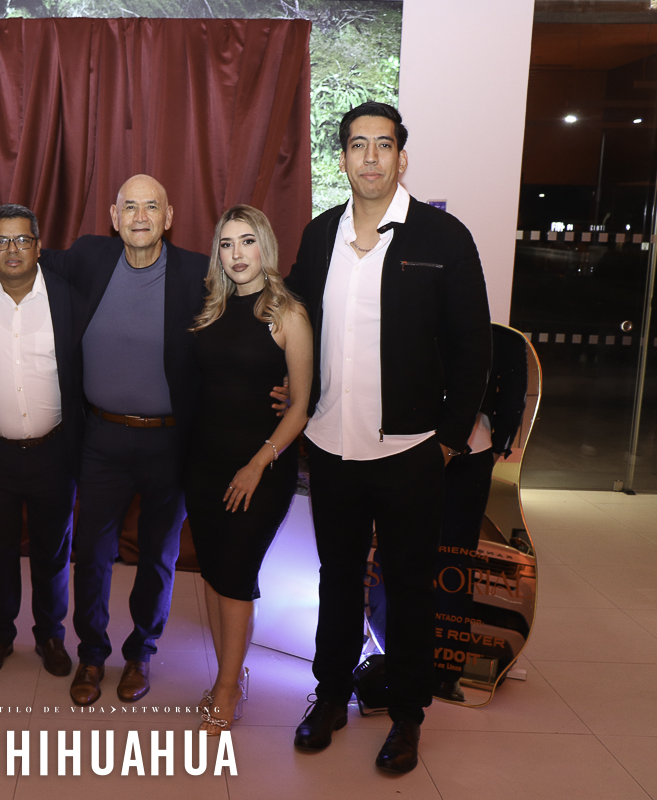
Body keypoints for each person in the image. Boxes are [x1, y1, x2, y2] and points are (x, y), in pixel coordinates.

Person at [285, 102, 491, 773]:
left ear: (402, 158)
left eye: (383, 145)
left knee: (408, 586)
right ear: (343, 158)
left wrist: (447, 441)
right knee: (339, 578)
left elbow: (473, 348)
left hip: (410, 452)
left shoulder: (443, 237)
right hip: (330, 445)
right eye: (357, 145)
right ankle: (329, 696)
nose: (369, 157)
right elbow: (295, 322)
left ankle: (407, 715)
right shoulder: (320, 234)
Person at [44, 174, 209, 705]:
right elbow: (20, 261)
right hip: (101, 438)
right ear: (114, 218)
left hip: (170, 442)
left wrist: (285, 374)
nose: (140, 216)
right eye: (129, 207)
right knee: (92, 553)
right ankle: (92, 654)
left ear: (168, 217)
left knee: (159, 555)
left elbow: (246, 322)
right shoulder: (89, 257)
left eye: (151, 206)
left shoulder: (198, 272)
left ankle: (141, 652)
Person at [185, 205, 312, 734]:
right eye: (227, 244)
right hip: (203, 465)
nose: (237, 254)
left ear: (265, 246)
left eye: (247, 241)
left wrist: (257, 464)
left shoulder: (287, 315)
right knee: (214, 573)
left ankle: (227, 688)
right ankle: (229, 675)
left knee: (235, 576)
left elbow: (300, 407)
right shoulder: (210, 310)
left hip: (259, 469)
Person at [0, 204, 83, 679]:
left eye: (23, 239)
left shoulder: (67, 296)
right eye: (1, 241)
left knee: (53, 551)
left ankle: (50, 634)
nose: (13, 249)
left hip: (54, 451)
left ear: (38, 246)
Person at [434, 324, 529, 701]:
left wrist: (496, 448)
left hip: (465, 454)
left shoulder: (503, 339)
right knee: (446, 561)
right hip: (425, 452)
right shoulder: (500, 338)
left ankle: (444, 668)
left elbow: (513, 399)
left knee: (453, 562)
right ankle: (438, 668)